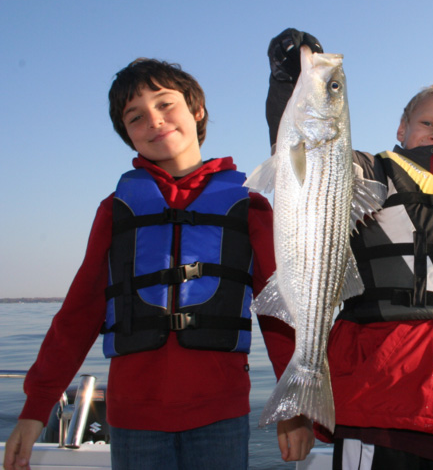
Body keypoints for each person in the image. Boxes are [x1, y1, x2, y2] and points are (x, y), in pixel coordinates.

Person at [3, 58, 315, 470]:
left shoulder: (249, 204)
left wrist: (295, 406)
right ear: (128, 135)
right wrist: (36, 406)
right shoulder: (115, 210)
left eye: (165, 104)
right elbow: (78, 315)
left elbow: (282, 315)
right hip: (134, 417)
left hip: (221, 414)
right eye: (136, 117)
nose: (154, 120)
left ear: (196, 111)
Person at [265, 28, 433, 470]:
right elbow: (306, 154)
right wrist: (289, 81)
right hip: (380, 395)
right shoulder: (370, 172)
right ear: (402, 128)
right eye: (426, 123)